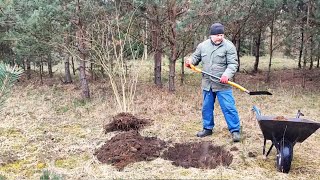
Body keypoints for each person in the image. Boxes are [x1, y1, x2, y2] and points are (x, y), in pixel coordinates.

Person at [185, 22, 241, 142]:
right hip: (207, 84)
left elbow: (233, 64)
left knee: (229, 107)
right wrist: (190, 62)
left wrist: (226, 75)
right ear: (211, 35)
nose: (220, 37)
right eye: (217, 35)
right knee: (207, 108)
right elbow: (195, 58)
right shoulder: (203, 46)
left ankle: (235, 130)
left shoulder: (229, 46)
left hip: (223, 85)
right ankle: (207, 129)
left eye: (222, 35)